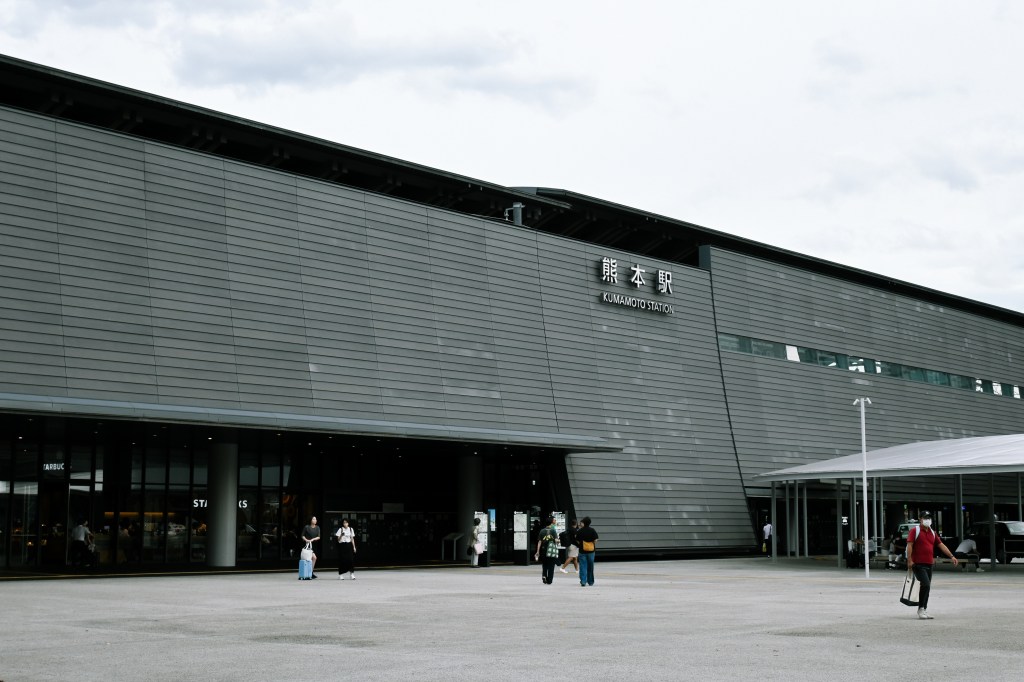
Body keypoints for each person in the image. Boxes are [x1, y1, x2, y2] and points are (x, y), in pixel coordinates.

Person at [906, 511, 957, 619]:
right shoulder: (915, 530)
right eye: (925, 518)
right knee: (926, 584)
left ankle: (924, 609)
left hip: (929, 563)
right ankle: (921, 609)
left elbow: (941, 545)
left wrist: (951, 556)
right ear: (920, 519)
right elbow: (909, 545)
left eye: (929, 518)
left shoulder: (933, 532)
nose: (927, 520)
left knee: (927, 587)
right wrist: (909, 560)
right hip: (918, 564)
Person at [533, 516, 559, 584]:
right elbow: (556, 540)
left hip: (544, 550)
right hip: (551, 551)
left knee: (544, 564)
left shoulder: (542, 531)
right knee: (551, 566)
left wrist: (538, 551)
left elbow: (539, 542)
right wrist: (558, 541)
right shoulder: (553, 531)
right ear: (551, 523)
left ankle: (544, 575)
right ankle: (549, 580)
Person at [575, 516, 599, 587]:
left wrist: (582, 543)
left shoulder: (580, 531)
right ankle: (590, 581)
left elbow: (577, 540)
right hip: (591, 551)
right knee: (590, 566)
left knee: (583, 566)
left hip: (582, 551)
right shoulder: (592, 530)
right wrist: (590, 543)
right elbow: (596, 540)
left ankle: (583, 581)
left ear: (584, 523)